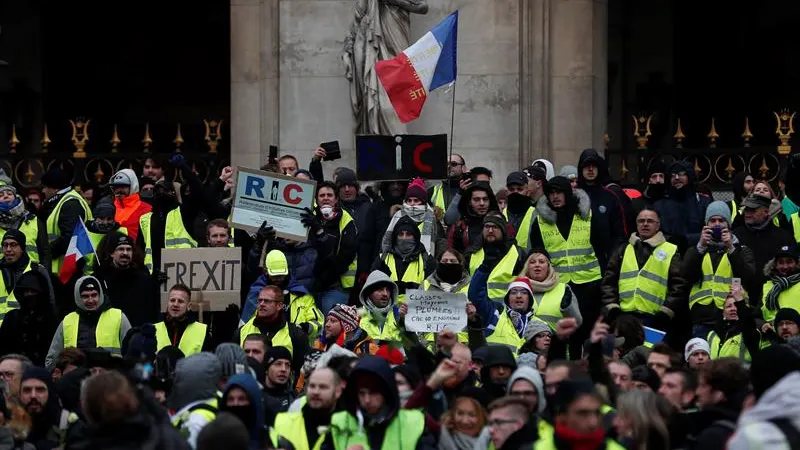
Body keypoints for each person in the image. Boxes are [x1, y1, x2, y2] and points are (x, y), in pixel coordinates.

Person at [322, 355, 435, 450]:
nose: (367, 400)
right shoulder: (339, 422)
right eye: (362, 393)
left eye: (374, 393)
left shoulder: (414, 422)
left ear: (387, 391)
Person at [45, 276, 132, 369]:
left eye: (94, 295)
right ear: (78, 297)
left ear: (100, 295)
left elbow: (132, 352)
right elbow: (52, 359)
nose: (90, 300)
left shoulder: (118, 316)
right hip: (76, 379)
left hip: (109, 378)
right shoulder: (67, 321)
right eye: (85, 296)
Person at [271, 366, 343, 450]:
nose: (316, 392)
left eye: (323, 387)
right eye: (312, 386)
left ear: (337, 391)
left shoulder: (347, 430)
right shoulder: (282, 421)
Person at [154, 284, 211, 356]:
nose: (175, 304)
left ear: (189, 306)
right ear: (167, 303)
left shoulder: (203, 331)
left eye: (180, 301)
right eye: (172, 300)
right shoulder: (154, 329)